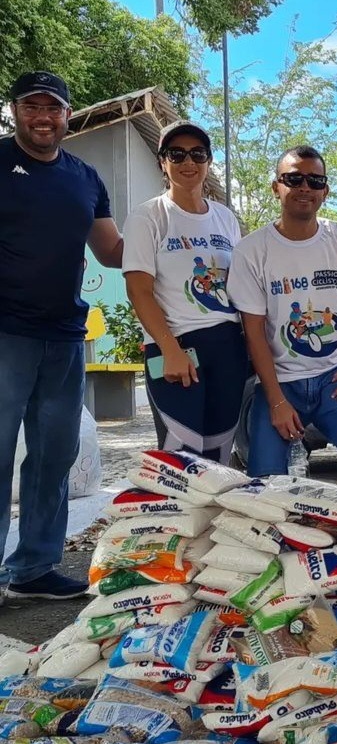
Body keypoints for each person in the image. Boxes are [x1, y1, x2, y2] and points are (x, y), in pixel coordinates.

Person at [0, 71, 122, 600]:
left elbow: (113, 251)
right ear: (15, 110)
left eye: (53, 108)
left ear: (68, 114)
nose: (43, 117)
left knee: (54, 455)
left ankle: (32, 569)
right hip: (6, 333)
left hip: (65, 335)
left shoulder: (85, 178)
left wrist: (176, 236)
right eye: (32, 107)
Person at [228, 145, 337, 509]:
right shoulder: (252, 250)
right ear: (276, 187)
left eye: (315, 180)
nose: (305, 187)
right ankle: (278, 549)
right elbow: (253, 331)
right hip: (281, 382)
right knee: (266, 482)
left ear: (325, 191)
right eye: (294, 179)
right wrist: (276, 401)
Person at [123, 121, 247, 463]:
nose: (188, 162)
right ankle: (175, 517)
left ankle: (212, 519)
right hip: (177, 347)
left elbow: (239, 286)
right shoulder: (148, 216)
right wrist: (170, 348)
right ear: (163, 162)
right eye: (176, 154)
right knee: (182, 456)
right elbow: (139, 290)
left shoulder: (225, 218)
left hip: (228, 348)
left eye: (198, 154)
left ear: (208, 161)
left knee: (219, 454)